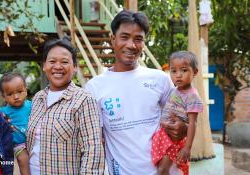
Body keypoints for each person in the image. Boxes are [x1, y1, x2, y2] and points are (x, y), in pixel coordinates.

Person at [85, 10, 187, 174]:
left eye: (138, 39)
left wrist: (184, 127)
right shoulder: (95, 87)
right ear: (113, 39)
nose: (131, 45)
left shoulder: (160, 79)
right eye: (124, 37)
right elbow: (94, 140)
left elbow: (183, 120)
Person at [26, 37, 105, 174]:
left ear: (74, 67)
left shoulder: (83, 100)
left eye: (64, 62)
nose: (57, 66)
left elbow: (92, 151)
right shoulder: (38, 98)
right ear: (44, 65)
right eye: (52, 61)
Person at [152, 51, 203, 175]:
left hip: (173, 139)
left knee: (162, 170)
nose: (178, 75)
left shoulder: (192, 96)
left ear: (194, 72)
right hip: (163, 135)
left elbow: (192, 123)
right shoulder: (174, 90)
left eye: (184, 70)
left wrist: (187, 148)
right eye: (173, 71)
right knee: (159, 167)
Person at [0, 72, 31, 175]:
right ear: (3, 96)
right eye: (10, 94)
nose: (16, 96)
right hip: (19, 144)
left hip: (34, 141)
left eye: (20, 91)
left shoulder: (32, 105)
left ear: (26, 90)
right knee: (23, 160)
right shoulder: (2, 112)